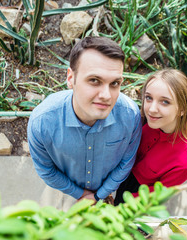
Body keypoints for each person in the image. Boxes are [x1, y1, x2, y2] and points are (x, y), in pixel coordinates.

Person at [27, 36, 142, 204]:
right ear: (70, 78)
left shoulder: (130, 116)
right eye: (94, 80)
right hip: (66, 191)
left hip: (109, 191)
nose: (106, 96)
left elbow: (126, 162)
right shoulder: (42, 122)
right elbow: (46, 170)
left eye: (115, 83)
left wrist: (99, 195)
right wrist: (79, 193)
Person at [114, 68, 187, 205]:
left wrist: (125, 203)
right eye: (149, 98)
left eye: (165, 102)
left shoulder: (186, 160)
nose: (152, 109)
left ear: (182, 109)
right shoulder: (142, 119)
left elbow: (159, 193)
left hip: (138, 190)